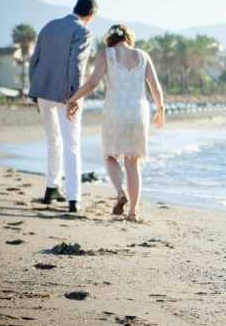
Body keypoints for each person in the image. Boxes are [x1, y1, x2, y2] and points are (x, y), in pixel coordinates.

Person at [66, 24, 164, 222]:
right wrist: (160, 110)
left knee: (110, 155)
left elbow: (92, 83)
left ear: (110, 39)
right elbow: (155, 86)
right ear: (129, 38)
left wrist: (72, 99)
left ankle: (120, 192)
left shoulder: (106, 54)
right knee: (132, 162)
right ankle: (133, 213)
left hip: (115, 110)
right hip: (138, 111)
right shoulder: (143, 56)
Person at [28, 0, 97, 213]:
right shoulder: (84, 32)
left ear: (74, 9)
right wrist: (75, 97)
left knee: (53, 141)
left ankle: (52, 188)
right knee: (71, 146)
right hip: (67, 96)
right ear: (90, 17)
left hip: (43, 93)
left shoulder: (49, 26)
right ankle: (74, 200)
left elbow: (34, 62)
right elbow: (77, 65)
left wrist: (35, 95)